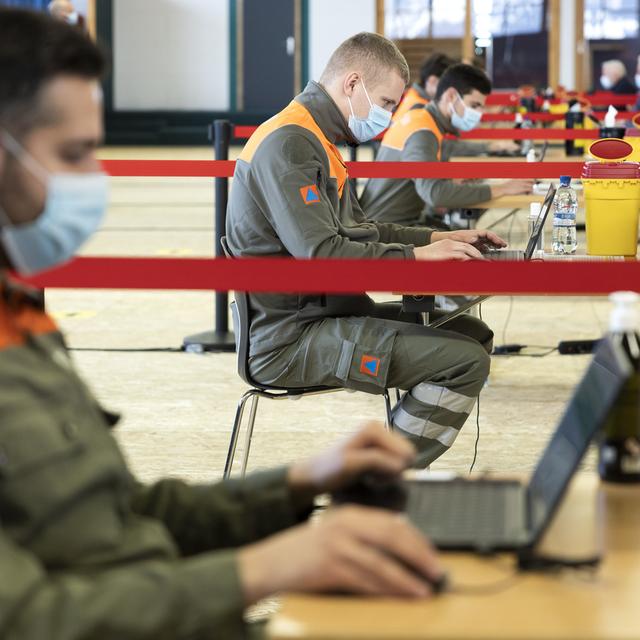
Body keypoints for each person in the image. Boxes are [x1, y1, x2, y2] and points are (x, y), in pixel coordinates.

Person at [0, 10, 445, 639]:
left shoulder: (24, 322)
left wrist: (299, 480)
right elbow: (34, 619)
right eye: (73, 155)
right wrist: (262, 570)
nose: (94, 182)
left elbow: (128, 512)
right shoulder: (293, 142)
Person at [226, 33, 503, 464]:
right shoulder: (290, 143)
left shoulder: (317, 139)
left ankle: (387, 463)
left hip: (323, 315)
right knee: (463, 361)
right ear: (352, 84)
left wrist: (436, 240)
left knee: (470, 333)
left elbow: (362, 230)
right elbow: (322, 254)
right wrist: (414, 258)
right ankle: (380, 481)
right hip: (290, 339)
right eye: (387, 103)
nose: (389, 117)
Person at [360, 63, 534, 227]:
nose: (479, 113)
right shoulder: (423, 131)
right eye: (474, 105)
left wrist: (451, 181)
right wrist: (501, 189)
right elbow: (434, 193)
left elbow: (422, 177)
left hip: (398, 221)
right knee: (467, 244)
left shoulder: (425, 120)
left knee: (465, 238)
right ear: (451, 96)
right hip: (384, 230)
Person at [392, 52, 516, 161]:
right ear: (433, 81)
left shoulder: (418, 99)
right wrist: (489, 146)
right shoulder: (419, 107)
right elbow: (443, 146)